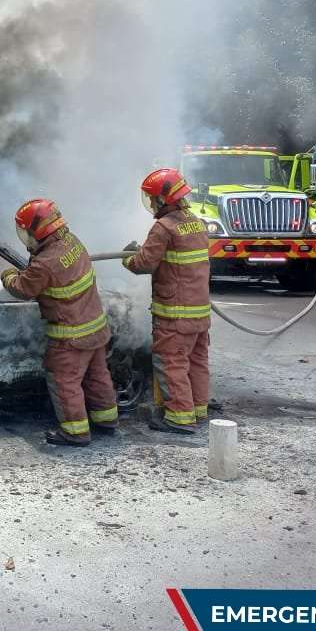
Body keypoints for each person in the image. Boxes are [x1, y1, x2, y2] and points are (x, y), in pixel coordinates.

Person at [1, 199, 119, 446]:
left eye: (26, 232)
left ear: (38, 230)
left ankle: (75, 432)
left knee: (64, 381)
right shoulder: (72, 241)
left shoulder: (45, 263)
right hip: (95, 327)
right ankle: (106, 421)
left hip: (70, 335)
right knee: (97, 376)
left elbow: (24, 289)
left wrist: (8, 276)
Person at [122, 168, 211, 434]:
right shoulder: (196, 222)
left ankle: (179, 418)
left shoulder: (163, 227)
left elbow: (144, 263)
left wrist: (128, 258)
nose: (150, 204)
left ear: (162, 199)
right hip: (199, 312)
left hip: (175, 313)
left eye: (152, 199)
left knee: (172, 362)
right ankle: (198, 409)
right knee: (196, 361)